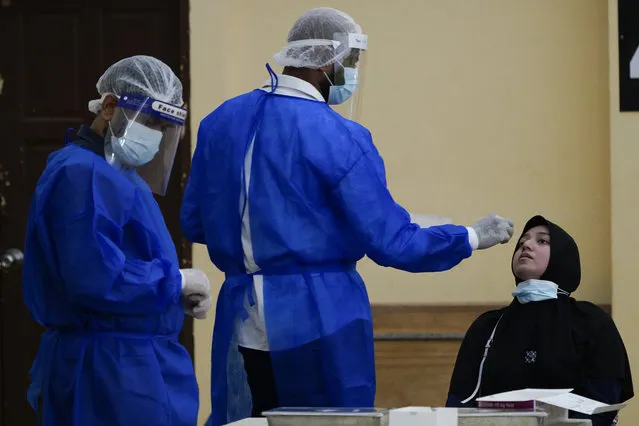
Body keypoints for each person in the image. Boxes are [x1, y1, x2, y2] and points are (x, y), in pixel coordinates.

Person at [180, 7, 514, 425]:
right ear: (325, 62)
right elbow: (393, 242)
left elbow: (194, 222)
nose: (351, 74)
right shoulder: (339, 136)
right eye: (349, 62)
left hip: (241, 315)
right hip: (319, 314)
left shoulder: (219, 123)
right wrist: (469, 236)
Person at [22, 55, 212, 426]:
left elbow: (125, 260)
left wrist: (171, 296)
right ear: (109, 106)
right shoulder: (81, 173)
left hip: (135, 363)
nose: (154, 137)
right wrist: (173, 281)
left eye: (162, 127)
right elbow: (94, 277)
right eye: (149, 122)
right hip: (107, 369)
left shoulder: (122, 177)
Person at [446, 215, 634, 425]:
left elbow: (603, 403)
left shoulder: (591, 321)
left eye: (542, 241)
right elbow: (458, 402)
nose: (526, 244)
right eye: (522, 241)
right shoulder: (488, 325)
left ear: (563, 256)